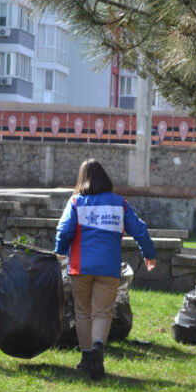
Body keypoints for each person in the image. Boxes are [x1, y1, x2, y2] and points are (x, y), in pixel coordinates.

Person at [55, 159, 157, 380]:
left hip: (80, 266)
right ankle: (98, 350)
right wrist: (149, 254)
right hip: (109, 268)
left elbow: (63, 231)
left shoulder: (76, 201)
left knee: (83, 312)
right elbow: (139, 229)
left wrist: (60, 252)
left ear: (82, 179)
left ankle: (85, 357)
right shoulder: (119, 204)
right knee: (102, 312)